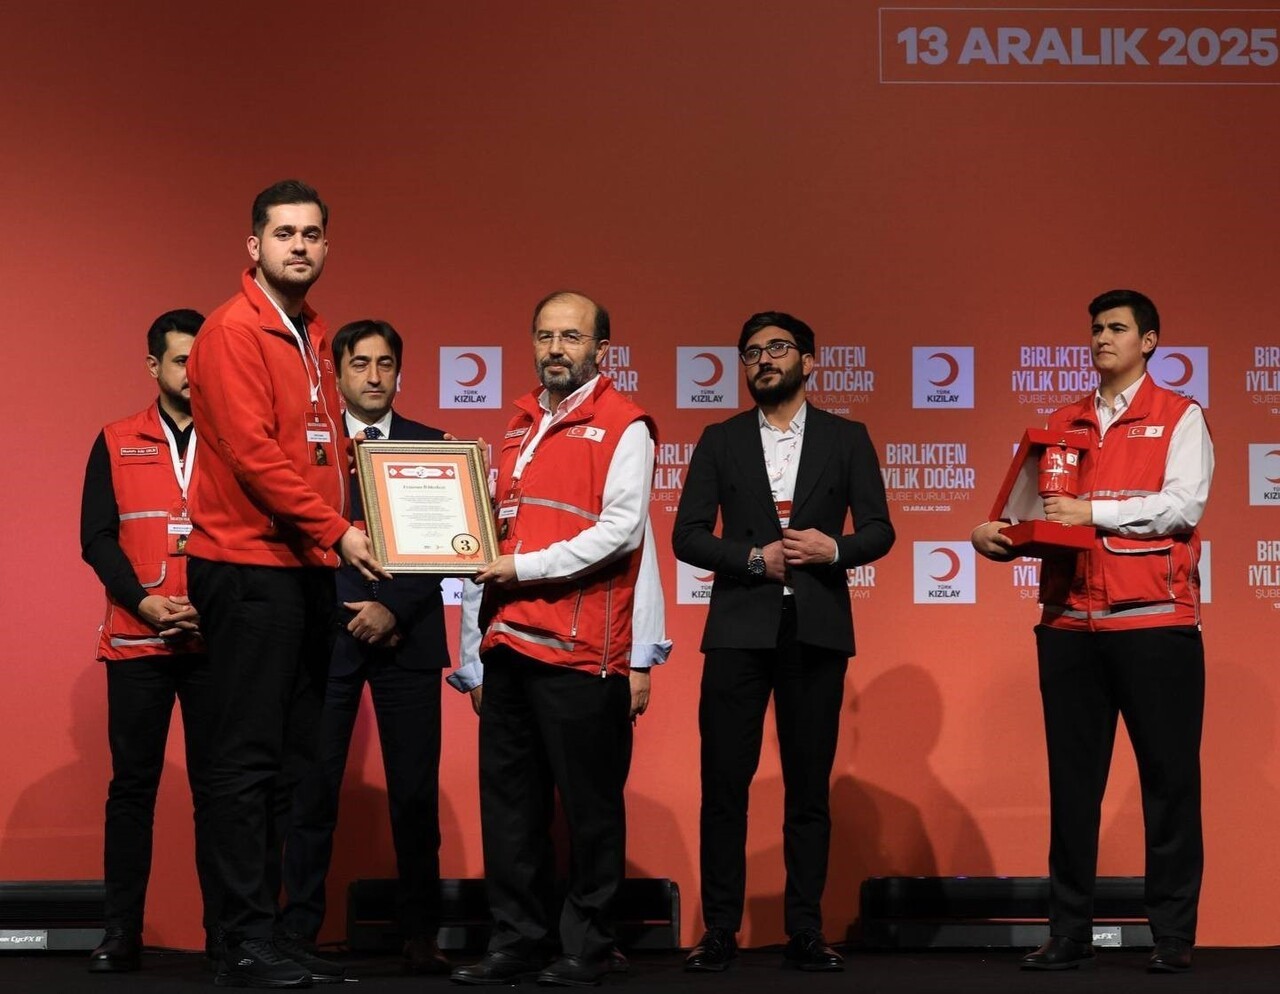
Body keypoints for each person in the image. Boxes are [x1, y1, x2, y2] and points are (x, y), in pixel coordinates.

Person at [972, 289, 1213, 974]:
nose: (1101, 338)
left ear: (1150, 341)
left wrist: (1094, 511)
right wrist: (997, 535)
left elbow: (1182, 505)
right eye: (1095, 329)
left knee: (1169, 783)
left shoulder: (1180, 416)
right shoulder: (1061, 421)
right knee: (1071, 785)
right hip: (1069, 625)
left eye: (1116, 328)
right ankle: (1068, 933)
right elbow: (1034, 512)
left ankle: (1172, 937)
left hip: (1153, 623)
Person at [185, 179, 388, 989]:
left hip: (302, 572)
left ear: (327, 248)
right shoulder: (234, 331)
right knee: (243, 764)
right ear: (254, 247)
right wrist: (340, 530)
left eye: (311, 234)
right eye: (283, 234)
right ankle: (238, 939)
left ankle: (265, 930)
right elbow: (254, 456)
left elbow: (318, 456)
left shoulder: (308, 332)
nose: (298, 246)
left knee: (291, 761)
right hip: (245, 569)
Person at [672, 311, 895, 973]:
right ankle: (719, 930)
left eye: (776, 348)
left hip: (817, 628)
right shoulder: (719, 439)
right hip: (740, 628)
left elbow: (880, 529)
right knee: (724, 786)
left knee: (807, 789)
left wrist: (837, 548)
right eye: (750, 352)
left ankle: (804, 929)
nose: (762, 360)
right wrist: (750, 561)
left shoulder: (847, 438)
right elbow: (687, 535)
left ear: (809, 361)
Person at [448, 291, 657, 988]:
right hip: (508, 647)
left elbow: (621, 531)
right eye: (544, 335)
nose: (555, 348)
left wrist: (523, 567)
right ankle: (517, 942)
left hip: (581, 648)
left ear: (602, 348)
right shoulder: (515, 430)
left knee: (591, 810)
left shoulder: (626, 425)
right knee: (511, 810)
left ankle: (589, 947)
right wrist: (473, 653)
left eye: (571, 336)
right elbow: (488, 540)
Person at [281, 320, 452, 976]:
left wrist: (392, 608)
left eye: (385, 364)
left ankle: (420, 933)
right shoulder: (307, 448)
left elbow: (446, 545)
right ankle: (297, 930)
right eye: (360, 364)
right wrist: (345, 610)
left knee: (414, 791)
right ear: (338, 373)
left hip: (406, 632)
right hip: (324, 634)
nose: (374, 375)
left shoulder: (432, 445)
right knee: (313, 787)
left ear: (400, 373)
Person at [79, 309, 217, 972]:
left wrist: (208, 609)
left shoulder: (235, 440)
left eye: (201, 360)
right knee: (132, 789)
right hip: (138, 641)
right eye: (180, 360)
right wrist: (144, 601)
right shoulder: (115, 438)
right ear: (154, 366)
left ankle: (231, 934)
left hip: (215, 643)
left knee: (223, 792)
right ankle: (120, 933)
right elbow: (96, 538)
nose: (192, 373)